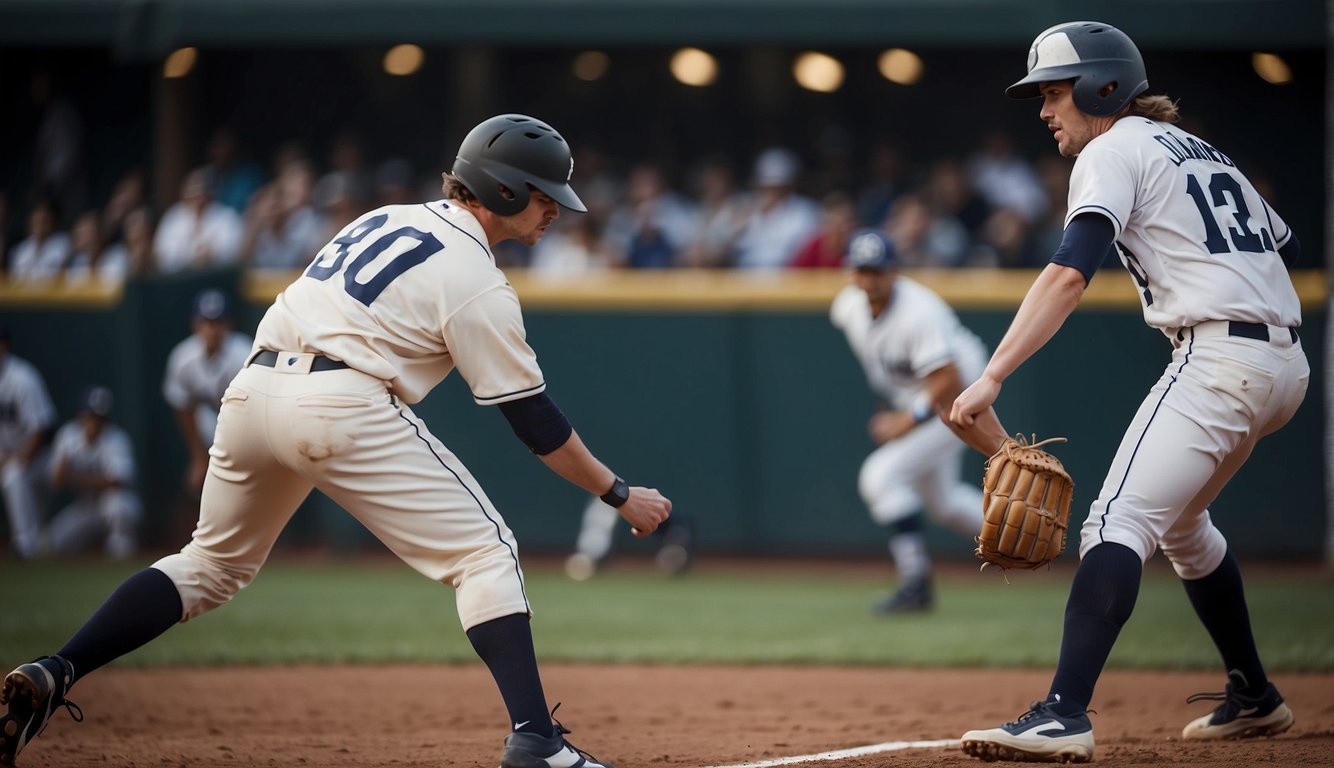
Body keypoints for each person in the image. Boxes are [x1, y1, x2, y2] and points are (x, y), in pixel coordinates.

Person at [0, 113, 671, 768]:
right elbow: (534, 422)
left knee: (209, 565)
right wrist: (617, 494)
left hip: (252, 391)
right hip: (341, 402)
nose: (557, 211)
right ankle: (536, 741)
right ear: (503, 190)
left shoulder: (381, 217)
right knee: (485, 553)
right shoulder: (477, 280)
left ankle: (59, 667)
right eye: (546, 195)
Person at [949, 22, 1306, 763]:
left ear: (1100, 88)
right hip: (1285, 366)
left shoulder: (1113, 148)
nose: (1045, 111)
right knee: (1182, 527)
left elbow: (1070, 272)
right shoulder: (1201, 149)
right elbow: (1284, 243)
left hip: (1218, 358)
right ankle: (1254, 695)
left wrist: (992, 374)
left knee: (1114, 520)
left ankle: (1063, 713)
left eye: (1053, 93)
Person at [830, 229, 987, 613]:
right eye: (861, 271)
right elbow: (886, 360)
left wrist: (907, 419)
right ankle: (1032, 538)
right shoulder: (847, 306)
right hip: (923, 393)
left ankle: (916, 583)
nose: (868, 280)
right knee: (944, 503)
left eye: (876, 271)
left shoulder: (919, 312)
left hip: (960, 395)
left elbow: (947, 378)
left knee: (880, 476)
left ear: (894, 271)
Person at [162, 289, 255, 499]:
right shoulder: (182, 358)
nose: (212, 329)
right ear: (195, 324)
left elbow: (253, 409)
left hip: (244, 420)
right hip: (209, 418)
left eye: (218, 322)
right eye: (206, 322)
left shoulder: (243, 353)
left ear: (228, 324)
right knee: (201, 480)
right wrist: (198, 457)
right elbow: (183, 408)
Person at [42, 386, 141, 559]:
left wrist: (75, 478)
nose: (94, 423)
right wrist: (63, 469)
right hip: (84, 507)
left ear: (106, 420)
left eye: (99, 418)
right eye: (89, 417)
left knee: (117, 505)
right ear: (81, 416)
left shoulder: (116, 439)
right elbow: (55, 481)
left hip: (110, 504)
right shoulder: (68, 436)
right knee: (50, 544)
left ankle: (120, 548)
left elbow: (118, 481)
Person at [0, 325, 57, 560]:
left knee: (13, 475)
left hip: (41, 457)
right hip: (8, 455)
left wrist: (19, 459)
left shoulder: (22, 378)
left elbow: (40, 428)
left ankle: (25, 546)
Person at [564, 495, 694, 581]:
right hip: (611, 494)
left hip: (617, 491)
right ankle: (588, 556)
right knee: (604, 508)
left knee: (667, 522)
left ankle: (674, 548)